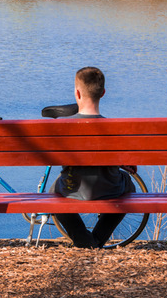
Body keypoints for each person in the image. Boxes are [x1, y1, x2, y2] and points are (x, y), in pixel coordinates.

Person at [51, 67, 135, 248]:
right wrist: (123, 163)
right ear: (103, 93)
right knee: (128, 184)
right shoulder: (116, 129)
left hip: (72, 189)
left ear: (77, 93)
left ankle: (83, 239)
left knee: (53, 192)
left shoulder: (63, 128)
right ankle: (98, 237)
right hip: (110, 189)